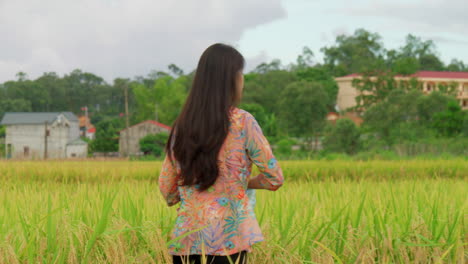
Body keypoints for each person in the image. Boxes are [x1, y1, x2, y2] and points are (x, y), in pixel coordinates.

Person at [159, 43, 284, 264]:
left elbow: (167, 190)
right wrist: (242, 182)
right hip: (229, 243)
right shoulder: (243, 122)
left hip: (185, 244)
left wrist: (193, 194)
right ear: (230, 79)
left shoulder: (182, 126)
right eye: (240, 73)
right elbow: (274, 178)